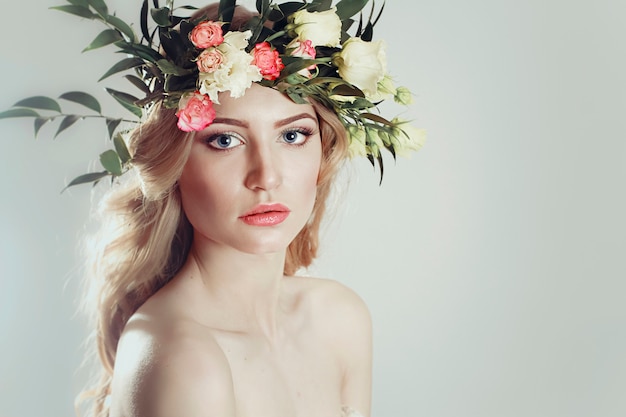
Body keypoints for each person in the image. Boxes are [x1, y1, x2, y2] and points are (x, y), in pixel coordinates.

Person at [2, 1, 423, 416]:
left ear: (322, 149)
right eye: (225, 140)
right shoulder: (183, 358)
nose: (267, 176)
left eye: (293, 135)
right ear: (174, 163)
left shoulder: (338, 319)